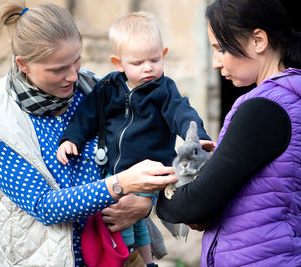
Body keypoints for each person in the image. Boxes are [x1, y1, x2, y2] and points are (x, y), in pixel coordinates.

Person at [0, 1, 176, 267]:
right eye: (57, 69)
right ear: (24, 65)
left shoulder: (98, 90)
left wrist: (144, 201)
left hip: (116, 253)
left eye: (76, 61)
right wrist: (118, 185)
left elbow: (144, 148)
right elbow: (43, 206)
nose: (72, 76)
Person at [156, 0, 301, 266]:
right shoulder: (296, 101)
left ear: (259, 40)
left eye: (221, 48)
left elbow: (195, 203)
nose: (216, 63)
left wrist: (156, 195)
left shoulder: (265, 109)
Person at [56, 11, 214, 266]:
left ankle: (135, 260)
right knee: (130, 222)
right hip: (112, 173)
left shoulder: (164, 89)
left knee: (131, 219)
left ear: (163, 55)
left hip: (150, 172)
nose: (148, 68)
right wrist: (70, 138)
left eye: (154, 59)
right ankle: (142, 261)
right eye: (138, 63)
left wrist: (197, 138)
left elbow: (182, 114)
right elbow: (86, 115)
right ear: (118, 63)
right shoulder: (107, 88)